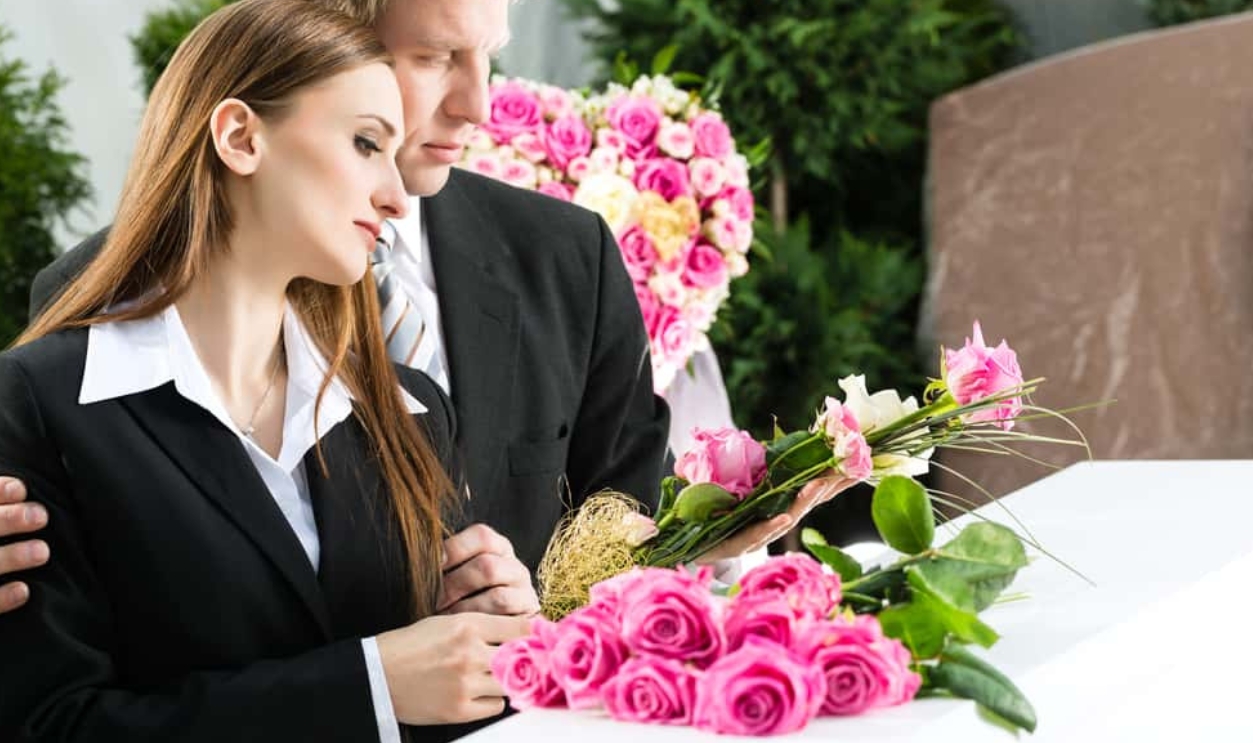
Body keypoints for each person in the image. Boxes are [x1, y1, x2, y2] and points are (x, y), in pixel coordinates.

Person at [2, 0, 850, 616]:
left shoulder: (566, 255)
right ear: (331, 38)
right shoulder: (107, 298)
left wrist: (717, 521)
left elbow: (622, 512)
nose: (478, 104)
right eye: (435, 57)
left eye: (489, 55)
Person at [0, 1, 532, 739]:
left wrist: (503, 639)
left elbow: (452, 704)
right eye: (365, 143)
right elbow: (49, 725)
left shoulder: (411, 412)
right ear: (241, 136)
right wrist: (366, 685)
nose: (395, 194)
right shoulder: (39, 403)